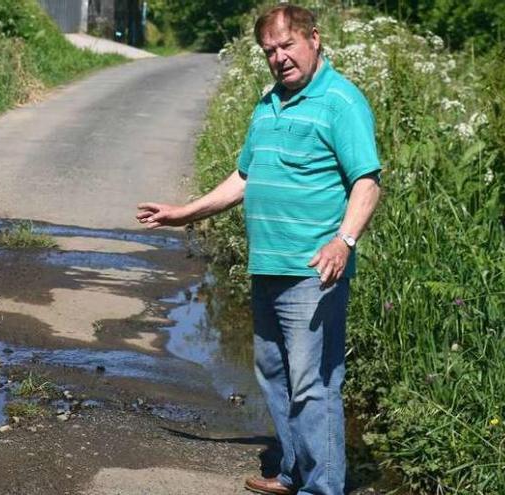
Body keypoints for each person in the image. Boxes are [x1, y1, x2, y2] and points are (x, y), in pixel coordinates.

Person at [136, 4, 382, 495]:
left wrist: (344, 240)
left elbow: (367, 181)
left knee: (314, 382)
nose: (279, 58)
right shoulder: (268, 102)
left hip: (314, 270)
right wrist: (185, 212)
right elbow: (245, 178)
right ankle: (294, 472)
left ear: (314, 39)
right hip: (267, 264)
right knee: (272, 372)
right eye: (269, 50)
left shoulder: (341, 101)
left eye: (287, 45)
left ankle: (323, 486)